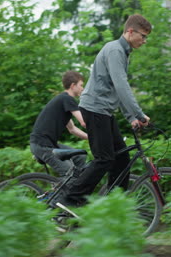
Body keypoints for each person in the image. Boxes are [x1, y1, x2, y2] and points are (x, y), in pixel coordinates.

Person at [51, 14, 152, 207]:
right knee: (104, 159)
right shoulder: (115, 50)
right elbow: (122, 87)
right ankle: (70, 200)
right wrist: (139, 114)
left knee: (122, 158)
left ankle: (114, 206)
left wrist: (131, 117)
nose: (144, 41)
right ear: (130, 32)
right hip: (95, 109)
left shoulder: (122, 52)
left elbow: (116, 88)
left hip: (104, 111)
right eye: (143, 36)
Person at [30, 71, 88, 178]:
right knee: (68, 172)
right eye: (81, 85)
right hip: (42, 145)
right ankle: (64, 193)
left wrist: (90, 137)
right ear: (73, 85)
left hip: (47, 144)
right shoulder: (67, 98)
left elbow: (72, 129)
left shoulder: (62, 100)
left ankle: (77, 186)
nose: (82, 88)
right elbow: (84, 122)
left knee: (79, 156)